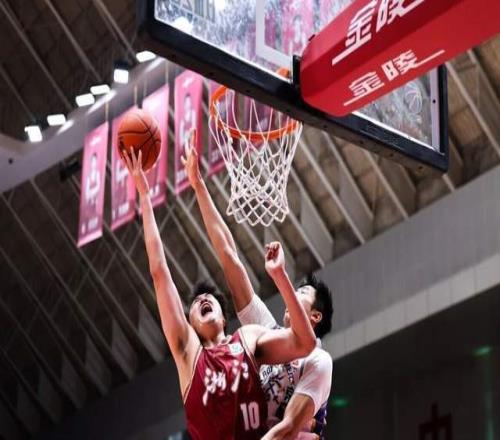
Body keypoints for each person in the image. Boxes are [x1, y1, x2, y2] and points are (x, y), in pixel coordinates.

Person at [122, 147, 316, 440]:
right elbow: (160, 273)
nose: (203, 299)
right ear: (191, 325)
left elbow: (304, 342)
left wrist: (280, 275)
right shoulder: (188, 353)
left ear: (225, 319)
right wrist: (145, 196)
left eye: (209, 298)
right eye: (195, 303)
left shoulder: (248, 338)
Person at [182, 136, 334, 439]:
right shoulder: (266, 331)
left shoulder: (318, 362)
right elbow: (230, 257)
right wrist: (198, 185)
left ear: (315, 316)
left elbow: (288, 430)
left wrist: (280, 276)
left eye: (302, 292)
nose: (293, 293)